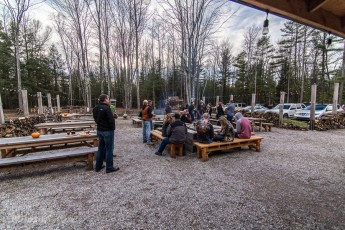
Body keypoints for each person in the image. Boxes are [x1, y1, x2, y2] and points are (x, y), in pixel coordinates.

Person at [93, 94, 119, 173]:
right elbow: (111, 120)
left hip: (100, 130)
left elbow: (95, 119)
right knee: (109, 149)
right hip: (107, 131)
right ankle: (109, 167)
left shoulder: (95, 108)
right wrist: (112, 128)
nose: (109, 100)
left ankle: (98, 166)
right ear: (105, 99)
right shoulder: (107, 108)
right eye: (108, 99)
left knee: (100, 148)